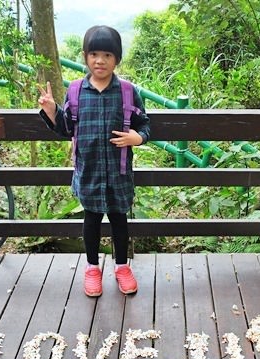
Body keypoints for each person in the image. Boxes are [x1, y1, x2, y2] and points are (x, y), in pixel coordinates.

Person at [38, 25, 151, 297]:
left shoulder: (127, 92)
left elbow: (144, 125)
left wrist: (137, 138)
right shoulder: (76, 91)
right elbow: (66, 129)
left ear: (117, 59)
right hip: (88, 172)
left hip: (118, 173)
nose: (100, 61)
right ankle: (92, 269)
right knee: (90, 222)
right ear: (86, 56)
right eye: (94, 54)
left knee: (119, 221)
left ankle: (122, 267)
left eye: (108, 55)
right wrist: (52, 110)